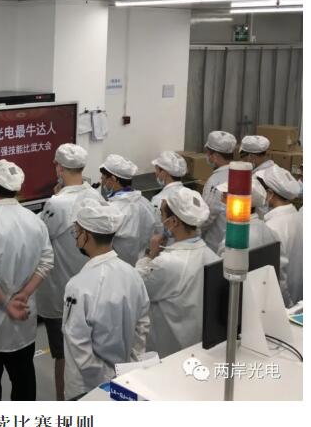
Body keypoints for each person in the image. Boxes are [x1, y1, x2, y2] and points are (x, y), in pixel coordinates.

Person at [0, 159, 54, 401]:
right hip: (25, 315)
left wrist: (7, 304)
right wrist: (24, 295)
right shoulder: (34, 220)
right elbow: (47, 261)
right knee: (24, 378)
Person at [63, 198, 150, 400]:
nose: (76, 237)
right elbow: (142, 325)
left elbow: (79, 348)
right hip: (126, 375)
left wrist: (107, 379)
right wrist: (129, 366)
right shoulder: (132, 274)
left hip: (87, 387)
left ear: (86, 235)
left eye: (77, 231)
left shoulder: (78, 286)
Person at [37, 143, 101, 400]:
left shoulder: (57, 203)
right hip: (94, 286)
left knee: (62, 354)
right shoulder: (96, 196)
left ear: (59, 168)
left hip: (62, 292)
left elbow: (40, 234)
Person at [136, 187, 220, 358]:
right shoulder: (211, 256)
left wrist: (150, 254)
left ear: (173, 221)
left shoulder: (167, 263)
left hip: (170, 349)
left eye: (162, 214)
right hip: (197, 345)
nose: (161, 219)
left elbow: (137, 285)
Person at [99, 154, 160, 265]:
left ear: (113, 179)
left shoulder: (112, 210)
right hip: (144, 264)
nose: (101, 180)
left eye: (103, 177)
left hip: (119, 267)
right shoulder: (146, 203)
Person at [257, 165, 303, 307]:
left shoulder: (272, 227)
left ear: (270, 193)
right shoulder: (298, 216)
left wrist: (287, 305)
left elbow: (276, 277)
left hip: (283, 303)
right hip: (299, 297)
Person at [215, 178, 279, 256]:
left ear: (239, 204)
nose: (221, 200)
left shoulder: (238, 238)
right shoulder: (264, 228)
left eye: (225, 197)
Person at [200, 130, 237, 252]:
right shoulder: (240, 175)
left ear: (215, 156)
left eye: (208, 153)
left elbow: (207, 216)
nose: (207, 157)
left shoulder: (215, 182)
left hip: (216, 244)